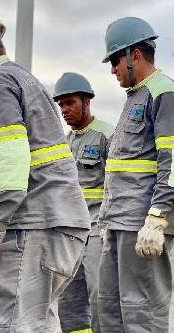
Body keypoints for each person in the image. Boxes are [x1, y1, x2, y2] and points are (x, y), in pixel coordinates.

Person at [0, 6, 90, 331]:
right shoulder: (24, 79)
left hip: (35, 223)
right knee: (37, 321)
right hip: (62, 222)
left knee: (6, 323)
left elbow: (11, 160)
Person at [97, 17, 174, 332]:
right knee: (109, 309)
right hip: (118, 220)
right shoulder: (135, 97)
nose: (112, 69)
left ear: (134, 55)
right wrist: (106, 217)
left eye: (115, 60)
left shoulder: (163, 92)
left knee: (141, 313)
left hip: (141, 221)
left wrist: (157, 217)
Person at [53, 72, 114, 333]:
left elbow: (119, 183)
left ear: (87, 102)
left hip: (98, 230)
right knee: (69, 301)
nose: (65, 110)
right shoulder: (65, 143)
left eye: (71, 103)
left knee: (100, 297)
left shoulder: (107, 135)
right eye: (62, 105)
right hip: (71, 233)